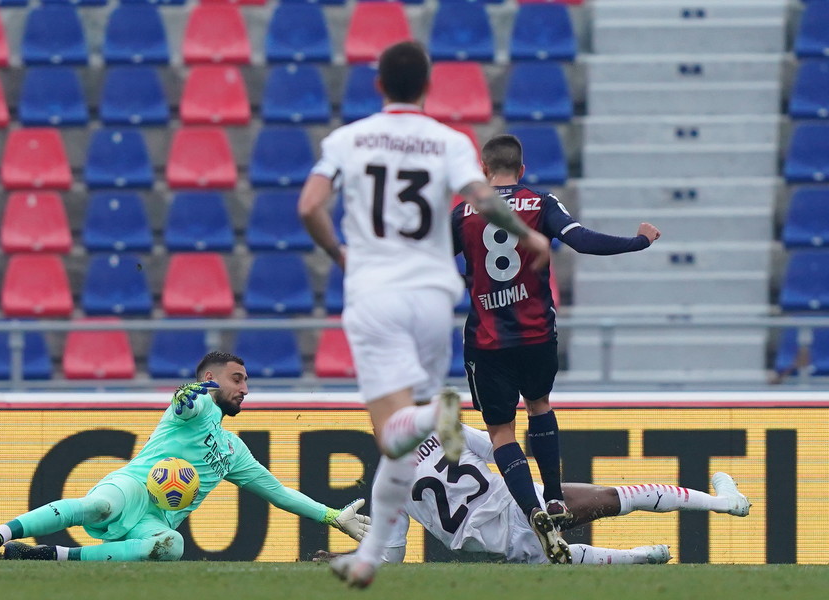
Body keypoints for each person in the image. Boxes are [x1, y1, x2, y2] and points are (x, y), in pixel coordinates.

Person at [298, 41, 552, 588]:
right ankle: (370, 556)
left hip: (377, 294)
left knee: (394, 431)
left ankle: (437, 420)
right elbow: (484, 200)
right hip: (434, 297)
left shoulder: (348, 139)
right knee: (403, 441)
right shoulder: (448, 141)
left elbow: (308, 206)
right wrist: (529, 232)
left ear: (379, 85)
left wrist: (341, 255)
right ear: (427, 87)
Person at [451, 134, 662, 563]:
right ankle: (553, 499)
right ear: (521, 169)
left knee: (501, 431)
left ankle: (531, 512)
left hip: (487, 341)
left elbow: (430, 260)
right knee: (540, 405)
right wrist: (637, 240)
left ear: (484, 169)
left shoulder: (463, 213)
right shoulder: (541, 203)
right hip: (536, 336)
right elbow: (582, 240)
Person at [0, 351, 371, 562]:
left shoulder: (233, 451)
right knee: (98, 505)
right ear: (210, 380)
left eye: (247, 381)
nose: (246, 388)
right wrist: (184, 393)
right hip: (133, 488)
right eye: (238, 379)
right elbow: (183, 402)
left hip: (157, 519)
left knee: (170, 547)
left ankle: (49, 556)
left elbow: (278, 492)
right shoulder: (199, 407)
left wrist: (332, 516)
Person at [313, 425, 750, 566]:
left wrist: (349, 554)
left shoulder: (385, 486)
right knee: (621, 497)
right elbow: (504, 451)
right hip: (522, 503)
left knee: (565, 561)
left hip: (498, 540)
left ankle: (641, 557)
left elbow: (391, 558)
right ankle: (722, 503)